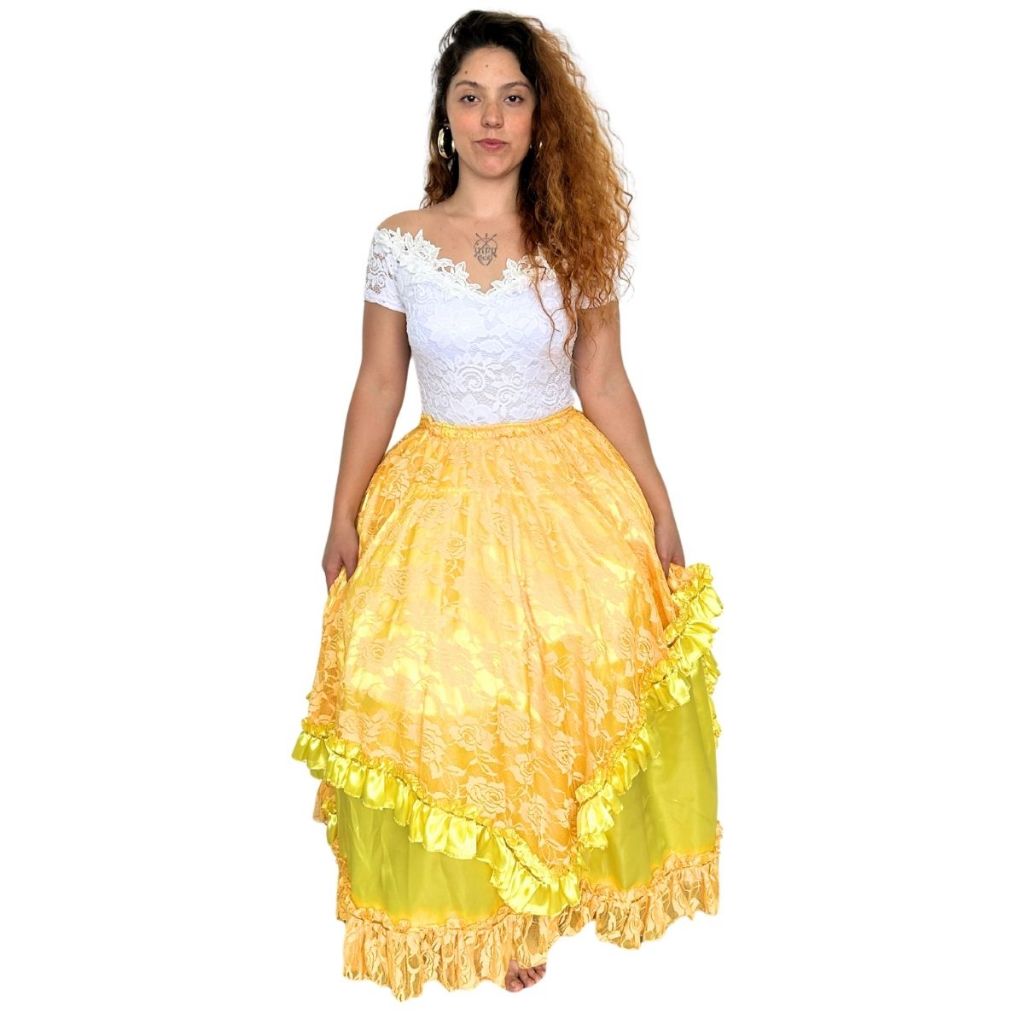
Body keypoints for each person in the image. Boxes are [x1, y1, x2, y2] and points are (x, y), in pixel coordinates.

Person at [291, 10, 724, 1001]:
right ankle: (489, 902)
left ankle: (542, 899)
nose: (492, 117)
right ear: (445, 116)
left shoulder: (577, 237)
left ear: (539, 117)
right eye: (472, 96)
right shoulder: (399, 242)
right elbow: (378, 382)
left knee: (554, 689)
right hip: (440, 496)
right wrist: (342, 511)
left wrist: (659, 505)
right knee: (444, 692)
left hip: (561, 492)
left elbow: (604, 379)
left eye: (513, 97)